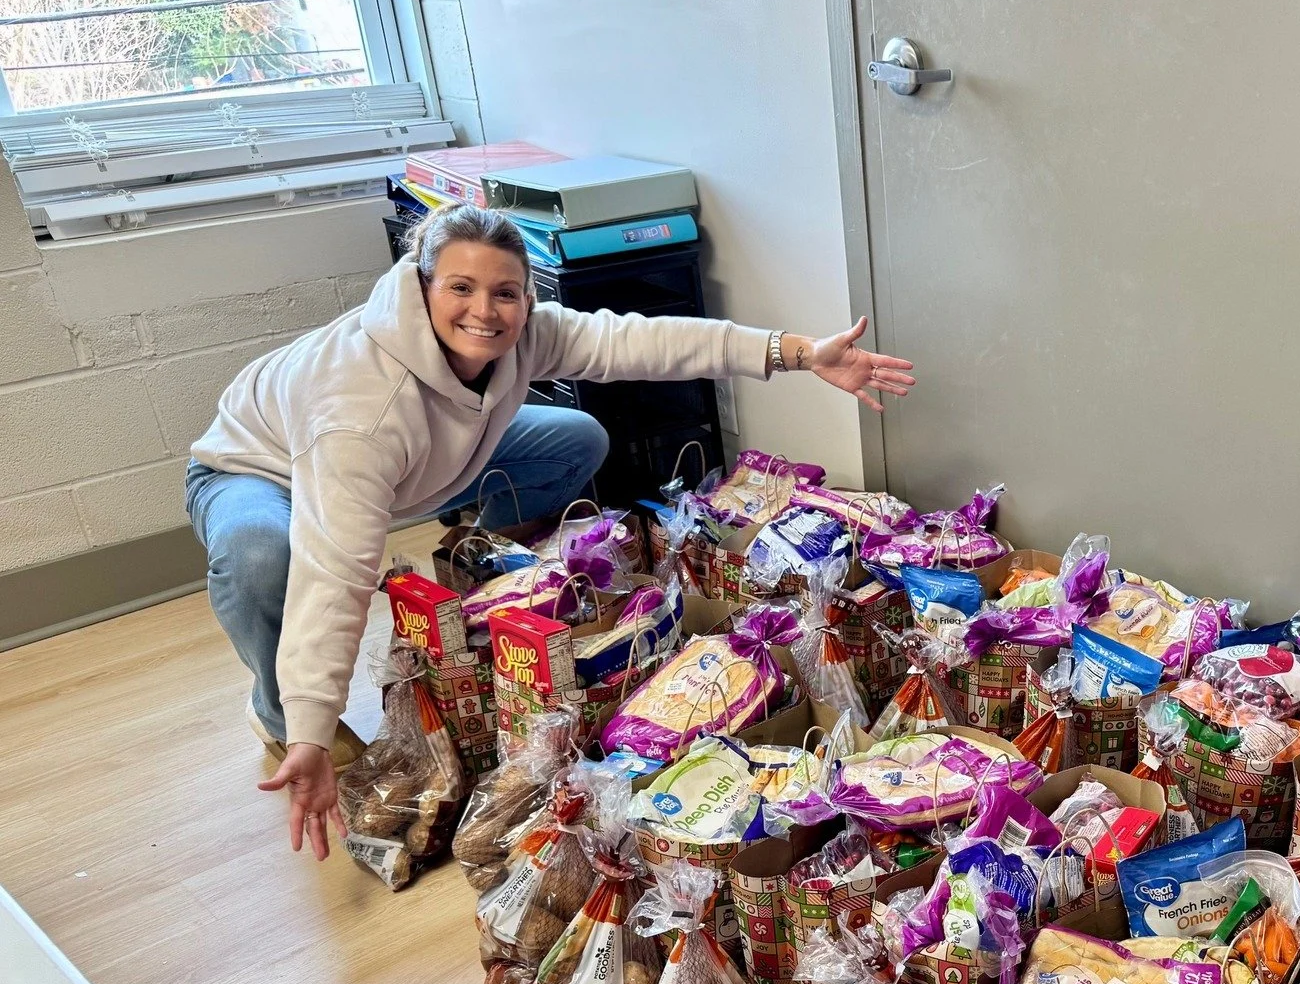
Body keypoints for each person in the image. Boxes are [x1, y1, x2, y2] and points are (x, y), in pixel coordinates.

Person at [185, 203, 913, 860]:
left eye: (505, 292)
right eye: (460, 289)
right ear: (420, 285)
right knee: (263, 559)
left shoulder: (521, 335)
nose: (485, 311)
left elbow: (642, 344)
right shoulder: (359, 406)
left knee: (574, 440)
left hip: (427, 462)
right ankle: (275, 709)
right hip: (261, 473)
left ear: (528, 297)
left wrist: (795, 353)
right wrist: (312, 725)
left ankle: (478, 556)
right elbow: (335, 572)